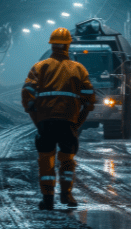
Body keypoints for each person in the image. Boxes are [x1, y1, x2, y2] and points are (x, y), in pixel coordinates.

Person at [21, 27, 96, 210]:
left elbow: (27, 94)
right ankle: (66, 195)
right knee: (67, 159)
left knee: (46, 160)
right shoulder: (78, 69)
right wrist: (78, 123)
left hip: (45, 121)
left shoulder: (40, 67)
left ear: (52, 45)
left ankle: (47, 199)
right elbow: (89, 99)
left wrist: (36, 117)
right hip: (68, 121)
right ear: (68, 45)